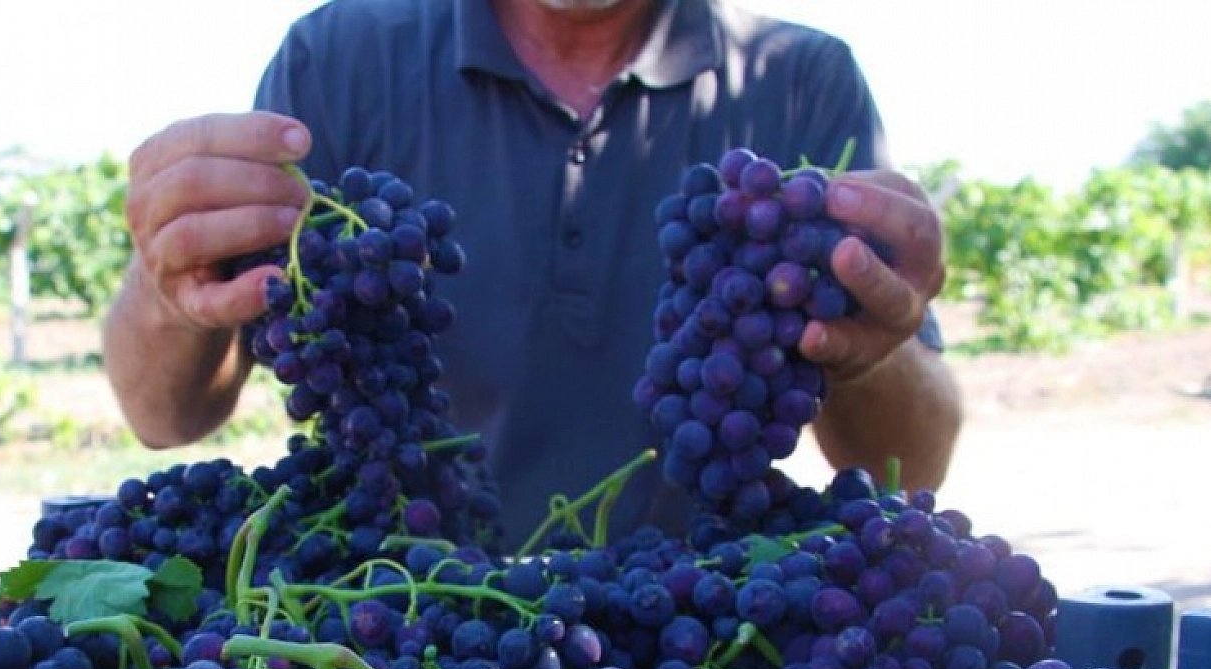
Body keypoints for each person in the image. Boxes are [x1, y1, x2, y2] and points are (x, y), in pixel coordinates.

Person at [103, 0, 961, 543]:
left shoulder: (801, 82)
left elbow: (907, 463)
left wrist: (873, 344)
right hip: (406, 618)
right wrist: (170, 286)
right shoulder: (339, 61)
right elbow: (163, 414)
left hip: (698, 642)